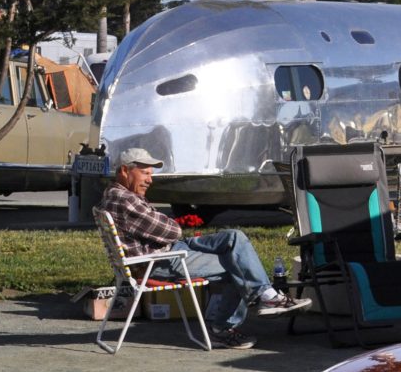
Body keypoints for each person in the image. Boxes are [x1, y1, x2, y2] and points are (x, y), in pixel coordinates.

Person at [99, 147, 307, 347]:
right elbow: (173, 230)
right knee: (236, 266)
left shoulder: (115, 194)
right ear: (125, 171)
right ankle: (225, 328)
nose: (150, 180)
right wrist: (168, 223)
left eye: (150, 174)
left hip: (167, 250)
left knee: (234, 237)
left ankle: (266, 295)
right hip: (159, 261)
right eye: (145, 173)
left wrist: (166, 223)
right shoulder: (124, 200)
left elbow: (167, 228)